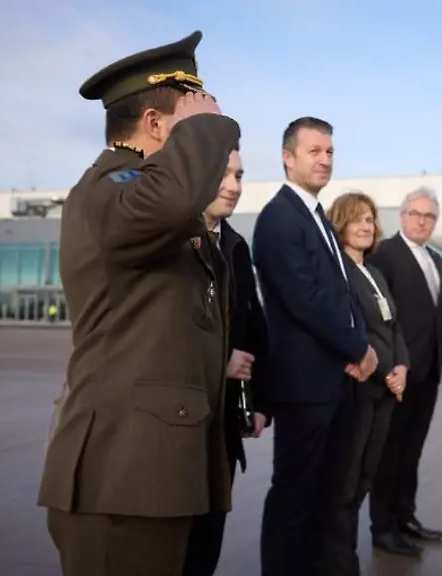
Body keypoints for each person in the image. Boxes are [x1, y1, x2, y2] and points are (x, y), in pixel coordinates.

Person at [37, 31, 241, 576]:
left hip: (157, 473)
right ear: (154, 125)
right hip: (121, 478)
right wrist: (209, 129)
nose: (208, 131)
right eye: (190, 116)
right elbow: (173, 201)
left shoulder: (145, 196)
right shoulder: (108, 188)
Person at [252, 116, 378, 576]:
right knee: (293, 496)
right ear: (288, 158)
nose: (325, 159)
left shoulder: (317, 216)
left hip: (333, 382)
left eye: (329, 151)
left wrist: (357, 343)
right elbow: (304, 300)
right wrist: (358, 348)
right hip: (304, 386)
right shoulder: (279, 218)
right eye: (314, 151)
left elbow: (341, 293)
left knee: (327, 493)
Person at [182, 147, 271, 576]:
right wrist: (220, 363)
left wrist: (260, 402)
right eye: (224, 175)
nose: (234, 186)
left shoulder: (236, 246)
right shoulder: (174, 243)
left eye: (239, 176)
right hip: (179, 428)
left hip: (223, 429)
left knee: (207, 546)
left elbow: (254, 328)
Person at [365, 186, 442, 555]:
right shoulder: (385, 256)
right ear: (402, 216)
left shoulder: (435, 259)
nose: (422, 221)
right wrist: (391, 366)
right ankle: (384, 528)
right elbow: (379, 321)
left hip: (429, 376)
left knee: (412, 453)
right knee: (390, 454)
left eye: (429, 216)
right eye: (415, 214)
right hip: (399, 375)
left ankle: (406, 517)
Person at [326, 191, 410, 566]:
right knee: (344, 484)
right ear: (339, 223)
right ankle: (339, 562)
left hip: (385, 393)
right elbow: (348, 334)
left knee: (364, 478)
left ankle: (344, 557)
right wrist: (381, 373)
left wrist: (401, 367)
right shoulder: (336, 272)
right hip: (358, 392)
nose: (365, 226)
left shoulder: (374, 272)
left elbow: (394, 329)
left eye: (370, 219)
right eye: (356, 218)